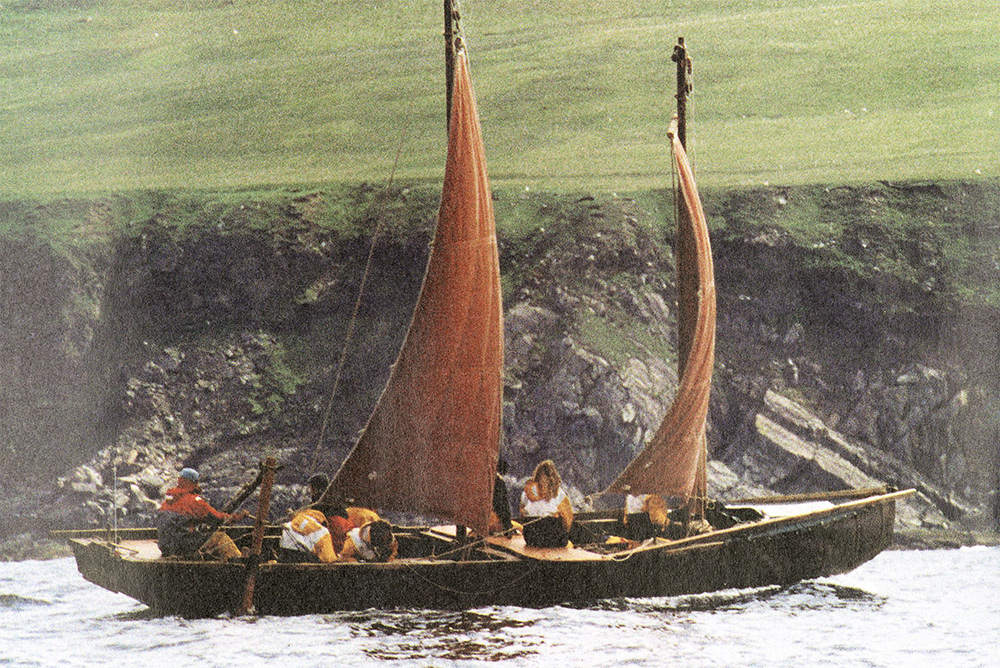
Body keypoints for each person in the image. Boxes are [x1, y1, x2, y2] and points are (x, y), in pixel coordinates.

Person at [157, 468, 245, 559]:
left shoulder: (168, 501)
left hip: (166, 547)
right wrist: (236, 517)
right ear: (194, 482)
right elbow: (216, 518)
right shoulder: (194, 501)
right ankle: (239, 564)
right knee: (220, 538)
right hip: (183, 545)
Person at [519, 459, 574, 548]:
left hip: (531, 538)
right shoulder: (559, 494)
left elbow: (522, 512)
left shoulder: (527, 492)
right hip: (552, 539)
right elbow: (568, 522)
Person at [489, 457, 513, 534]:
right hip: (493, 520)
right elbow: (503, 506)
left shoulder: (493, 480)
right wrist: (508, 525)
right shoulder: (498, 482)